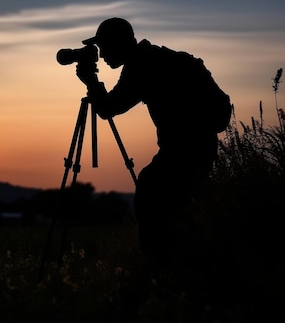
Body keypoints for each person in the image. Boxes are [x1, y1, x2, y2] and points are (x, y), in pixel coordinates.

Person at [75, 17, 230, 280]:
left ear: (120, 43)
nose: (101, 55)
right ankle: (185, 266)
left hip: (184, 150)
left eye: (104, 47)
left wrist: (91, 82)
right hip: (200, 147)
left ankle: (161, 271)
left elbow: (109, 108)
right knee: (179, 208)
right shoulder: (157, 57)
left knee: (151, 194)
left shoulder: (141, 65)